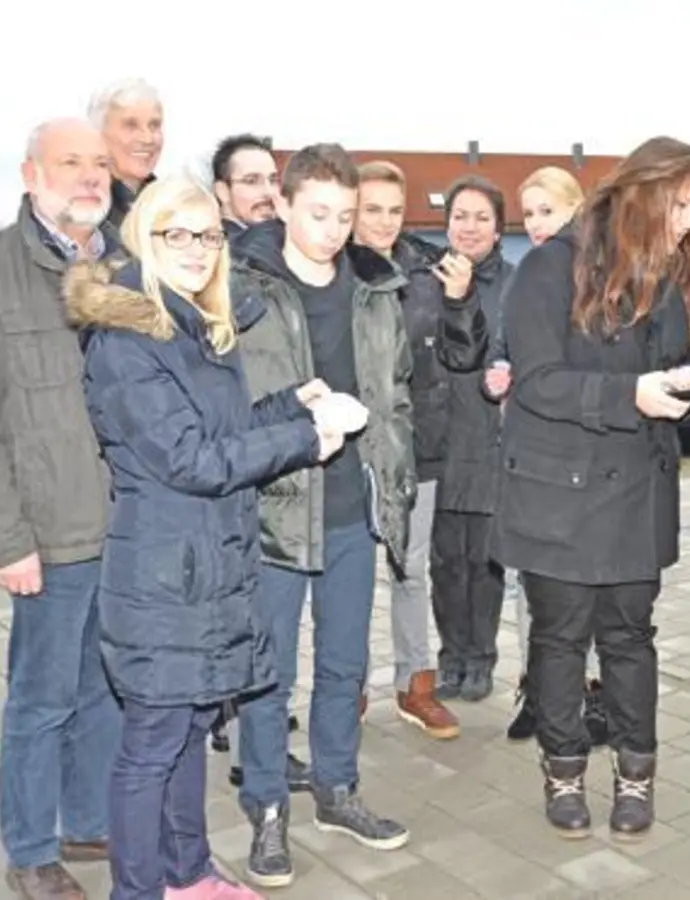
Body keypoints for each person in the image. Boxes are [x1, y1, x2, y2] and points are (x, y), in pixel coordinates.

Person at [65, 176, 349, 900]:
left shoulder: (191, 326)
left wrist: (293, 403)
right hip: (163, 574)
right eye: (178, 235)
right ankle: (138, 891)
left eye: (210, 236)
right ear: (147, 240)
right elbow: (189, 461)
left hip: (206, 567)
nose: (198, 250)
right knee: (151, 747)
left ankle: (188, 876)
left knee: (189, 728)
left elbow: (219, 434)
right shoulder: (128, 340)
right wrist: (303, 440)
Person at [494, 136, 690, 841]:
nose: (687, 223)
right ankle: (564, 772)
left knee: (630, 640)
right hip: (557, 495)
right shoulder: (548, 267)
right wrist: (633, 394)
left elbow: (682, 367)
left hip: (636, 497)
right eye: (680, 206)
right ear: (642, 192)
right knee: (559, 641)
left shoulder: (668, 279)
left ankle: (634, 776)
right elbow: (537, 382)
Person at [0, 117, 122, 900]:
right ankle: (31, 850)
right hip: (45, 532)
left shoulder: (124, 265)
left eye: (99, 164)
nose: (89, 176)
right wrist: (4, 539)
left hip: (123, 528)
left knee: (106, 689)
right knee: (41, 699)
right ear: (29, 173)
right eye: (71, 162)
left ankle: (87, 819)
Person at [228, 143, 418, 887]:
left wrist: (393, 483)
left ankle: (337, 789)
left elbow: (395, 394)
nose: (335, 230)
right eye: (319, 213)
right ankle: (268, 808)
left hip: (350, 510)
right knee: (267, 674)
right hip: (274, 510)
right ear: (281, 204)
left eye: (345, 215)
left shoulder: (375, 289)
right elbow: (225, 402)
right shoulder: (244, 289)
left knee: (344, 664)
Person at [348, 159, 481, 739]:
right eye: (371, 209)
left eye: (393, 210)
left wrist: (458, 305)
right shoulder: (330, 270)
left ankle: (414, 684)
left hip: (417, 445)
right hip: (347, 449)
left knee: (411, 569)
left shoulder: (428, 271)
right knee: (347, 575)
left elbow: (461, 355)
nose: (383, 222)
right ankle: (344, 685)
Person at [495, 166, 608, 745]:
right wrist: (501, 370)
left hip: (582, 453)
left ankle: (587, 693)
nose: (536, 224)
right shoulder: (525, 277)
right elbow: (506, 343)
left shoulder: (594, 273)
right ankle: (537, 690)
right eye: (529, 214)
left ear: (576, 209)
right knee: (531, 583)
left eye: (547, 211)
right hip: (529, 451)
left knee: (581, 586)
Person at [430, 176, 516, 703]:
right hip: (437, 439)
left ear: (500, 228)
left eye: (482, 217)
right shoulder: (426, 279)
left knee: (484, 563)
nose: (469, 227)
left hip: (489, 437)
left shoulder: (514, 283)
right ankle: (450, 657)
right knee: (443, 563)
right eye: (460, 216)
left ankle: (480, 659)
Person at [89, 78, 163, 230]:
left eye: (154, 126)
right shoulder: (82, 206)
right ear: (98, 134)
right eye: (131, 126)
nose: (147, 138)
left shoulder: (174, 202)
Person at [213, 133, 281, 240]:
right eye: (252, 181)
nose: (268, 192)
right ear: (222, 191)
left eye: (273, 180)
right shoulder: (220, 248)